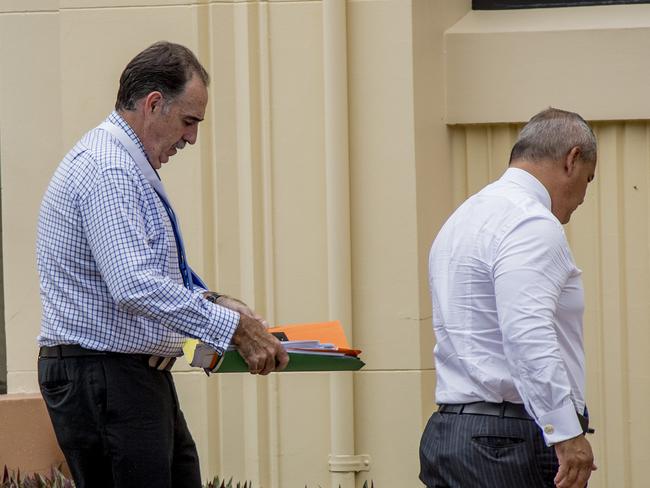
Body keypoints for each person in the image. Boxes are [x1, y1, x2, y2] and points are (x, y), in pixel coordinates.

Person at [36, 41, 289, 488]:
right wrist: (230, 327)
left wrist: (213, 301)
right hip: (108, 380)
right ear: (154, 104)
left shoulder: (120, 163)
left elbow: (146, 276)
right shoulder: (110, 169)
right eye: (189, 121)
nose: (192, 137)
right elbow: (134, 284)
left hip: (120, 378)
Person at [419, 108, 598, 488]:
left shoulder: (463, 219)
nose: (583, 197)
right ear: (572, 159)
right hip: (508, 442)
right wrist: (565, 430)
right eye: (588, 179)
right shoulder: (531, 222)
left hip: (451, 433)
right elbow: (526, 332)